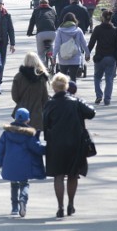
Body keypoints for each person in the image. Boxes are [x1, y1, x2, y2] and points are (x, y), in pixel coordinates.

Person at [43, 73, 95, 218]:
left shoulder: (49, 104)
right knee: (73, 175)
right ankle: (70, 204)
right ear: (66, 86)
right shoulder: (75, 102)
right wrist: (80, 101)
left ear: (53, 87)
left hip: (55, 145)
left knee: (58, 176)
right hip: (75, 144)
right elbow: (91, 113)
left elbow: (45, 124)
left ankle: (59, 207)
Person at [0, 108, 46, 217]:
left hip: (10, 164)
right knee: (24, 184)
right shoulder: (29, 135)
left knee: (13, 185)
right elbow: (36, 148)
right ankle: (23, 200)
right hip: (25, 164)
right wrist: (47, 149)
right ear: (27, 120)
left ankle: (14, 207)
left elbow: (0, 149)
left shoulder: (6, 133)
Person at [88, 10, 117, 105]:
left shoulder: (98, 29)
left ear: (102, 18)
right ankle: (107, 99)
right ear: (110, 18)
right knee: (109, 79)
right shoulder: (115, 30)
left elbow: (92, 42)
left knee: (97, 77)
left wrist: (87, 53)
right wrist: (116, 57)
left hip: (99, 57)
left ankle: (99, 95)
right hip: (111, 58)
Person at [11, 52, 51, 131]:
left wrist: (21, 102)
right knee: (34, 136)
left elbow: (14, 95)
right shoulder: (41, 77)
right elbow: (45, 97)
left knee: (22, 136)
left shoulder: (19, 76)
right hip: (37, 111)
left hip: (22, 111)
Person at [53, 13, 89, 82]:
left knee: (63, 79)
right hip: (75, 58)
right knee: (73, 78)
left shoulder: (60, 31)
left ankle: (64, 92)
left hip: (63, 58)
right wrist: (87, 54)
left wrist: (54, 56)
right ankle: (72, 91)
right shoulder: (78, 30)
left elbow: (57, 45)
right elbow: (84, 43)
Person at [27, 0, 57, 64]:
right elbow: (57, 21)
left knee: (41, 53)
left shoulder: (36, 10)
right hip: (52, 33)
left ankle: (42, 66)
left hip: (41, 33)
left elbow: (32, 23)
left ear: (39, 4)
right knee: (51, 44)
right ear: (48, 4)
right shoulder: (52, 10)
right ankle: (51, 56)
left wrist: (29, 32)